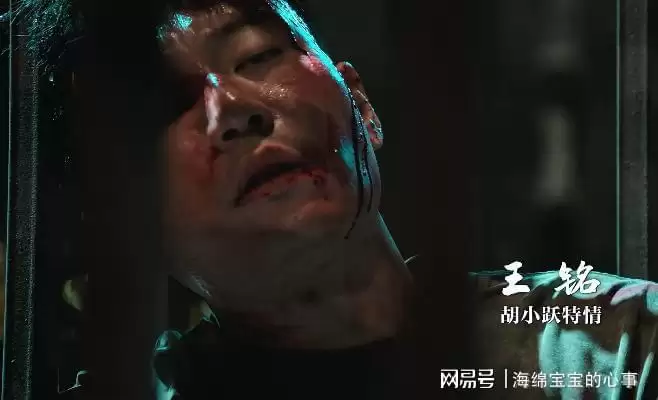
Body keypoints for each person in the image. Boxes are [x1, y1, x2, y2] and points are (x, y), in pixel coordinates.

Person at [11, 0, 658, 398]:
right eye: (164, 106)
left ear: (362, 106)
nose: (230, 108)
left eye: (257, 56)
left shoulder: (612, 346)